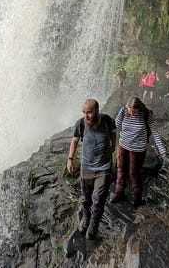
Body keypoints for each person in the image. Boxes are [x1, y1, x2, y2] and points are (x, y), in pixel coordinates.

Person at [67, 99, 117, 240]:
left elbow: (113, 132)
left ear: (96, 110)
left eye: (89, 112)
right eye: (84, 112)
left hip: (104, 168)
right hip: (86, 167)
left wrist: (113, 145)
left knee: (98, 200)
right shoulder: (80, 124)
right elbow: (75, 140)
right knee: (85, 198)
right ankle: (86, 218)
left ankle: (93, 223)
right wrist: (70, 159)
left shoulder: (107, 120)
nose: (86, 116)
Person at [110, 96, 167, 206]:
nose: (131, 114)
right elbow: (115, 125)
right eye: (129, 111)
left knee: (134, 173)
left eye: (134, 112)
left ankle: (137, 196)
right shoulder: (123, 110)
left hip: (138, 148)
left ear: (139, 109)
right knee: (120, 169)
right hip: (123, 145)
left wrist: (161, 149)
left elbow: (154, 132)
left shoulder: (146, 114)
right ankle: (119, 192)